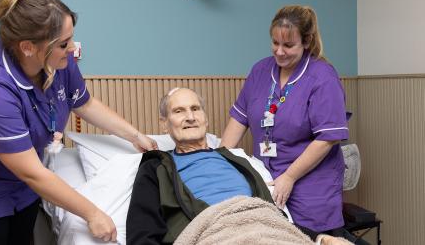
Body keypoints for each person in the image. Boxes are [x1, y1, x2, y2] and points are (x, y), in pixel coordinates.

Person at [0, 0, 157, 245]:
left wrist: (134, 135)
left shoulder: (58, 62)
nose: (72, 48)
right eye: (64, 43)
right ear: (28, 47)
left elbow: (85, 104)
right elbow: (30, 170)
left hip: (22, 192)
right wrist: (92, 213)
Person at [126, 87, 351, 245]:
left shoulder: (237, 160)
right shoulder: (157, 166)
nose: (190, 117)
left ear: (205, 118)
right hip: (212, 232)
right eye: (179, 111)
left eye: (196, 109)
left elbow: (274, 219)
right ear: (164, 124)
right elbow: (142, 232)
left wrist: (320, 238)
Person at [220, 5, 349, 236]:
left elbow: (328, 138)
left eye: (288, 45)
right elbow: (238, 121)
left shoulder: (322, 76)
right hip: (267, 181)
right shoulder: (260, 70)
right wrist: (219, 164)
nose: (279, 51)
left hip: (311, 187)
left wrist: (289, 177)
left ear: (307, 42)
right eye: (275, 43)